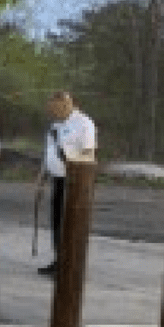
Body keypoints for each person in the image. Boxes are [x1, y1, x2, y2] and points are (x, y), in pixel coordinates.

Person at [36, 91, 96, 276]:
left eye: (56, 107)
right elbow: (49, 153)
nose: (53, 111)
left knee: (70, 223)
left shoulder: (84, 123)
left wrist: (73, 167)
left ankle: (71, 265)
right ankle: (59, 260)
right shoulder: (55, 126)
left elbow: (88, 152)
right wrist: (41, 177)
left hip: (75, 181)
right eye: (51, 108)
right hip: (57, 179)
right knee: (57, 222)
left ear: (66, 104)